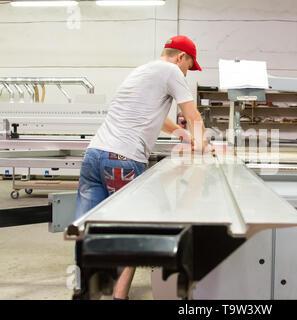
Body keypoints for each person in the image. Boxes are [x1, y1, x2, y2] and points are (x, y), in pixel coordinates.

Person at [74, 35, 212, 300]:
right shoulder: (172, 70)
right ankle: (118, 296)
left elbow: (160, 121)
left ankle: (85, 292)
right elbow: (193, 115)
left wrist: (184, 136)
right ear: (180, 57)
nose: (187, 73)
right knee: (134, 229)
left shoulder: (142, 71)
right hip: (122, 159)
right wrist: (203, 143)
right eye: (189, 67)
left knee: (88, 230)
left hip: (94, 155)